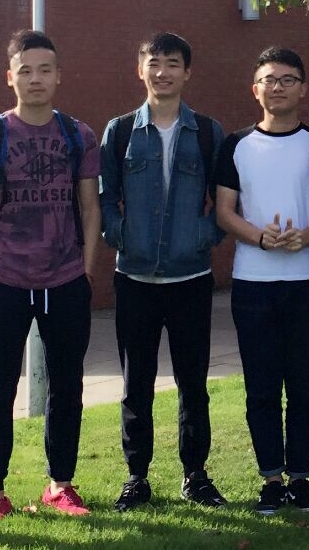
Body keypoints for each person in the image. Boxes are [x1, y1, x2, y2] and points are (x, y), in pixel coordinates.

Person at [0, 30, 102, 523]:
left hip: (65, 279)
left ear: (59, 76)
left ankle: (60, 484)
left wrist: (85, 270)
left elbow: (90, 206)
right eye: (25, 70)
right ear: (10, 77)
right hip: (4, 280)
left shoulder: (78, 135)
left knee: (67, 386)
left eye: (45, 70)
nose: (35, 78)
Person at [101, 32, 228, 511]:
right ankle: (137, 476)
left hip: (190, 278)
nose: (163, 72)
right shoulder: (119, 132)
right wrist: (119, 232)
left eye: (173, 63)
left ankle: (196, 474)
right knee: (136, 383)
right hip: (135, 278)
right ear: (141, 70)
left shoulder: (209, 132)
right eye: (154, 63)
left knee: (193, 383)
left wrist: (205, 235)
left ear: (187, 72)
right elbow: (104, 194)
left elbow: (225, 198)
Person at [214, 47, 309, 515]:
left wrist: (308, 236)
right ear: (255, 89)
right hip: (253, 282)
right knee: (261, 387)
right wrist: (260, 238)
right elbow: (224, 212)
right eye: (269, 80)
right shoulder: (236, 145)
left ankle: (300, 477)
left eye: (287, 79)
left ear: (303, 88)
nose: (277, 87)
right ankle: (270, 479)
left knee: (305, 385)